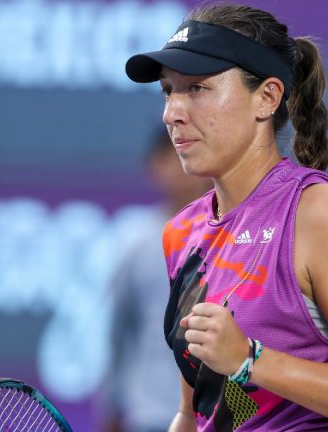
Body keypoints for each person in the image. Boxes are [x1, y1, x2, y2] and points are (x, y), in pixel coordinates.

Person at [124, 4, 328, 432]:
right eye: (168, 91)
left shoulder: (323, 217)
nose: (172, 113)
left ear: (267, 97)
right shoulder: (182, 233)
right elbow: (195, 413)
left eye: (197, 88)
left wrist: (249, 360)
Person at [101, 130, 212, 432]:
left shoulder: (238, 238)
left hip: (214, 418)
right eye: (169, 156)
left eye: (185, 152)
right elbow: (118, 334)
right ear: (153, 166)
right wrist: (112, 408)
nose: (179, 166)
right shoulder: (136, 242)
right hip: (149, 416)